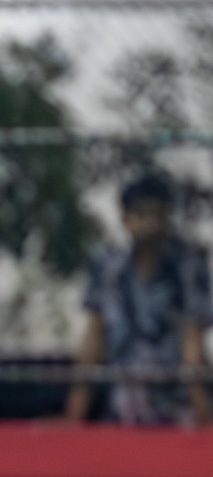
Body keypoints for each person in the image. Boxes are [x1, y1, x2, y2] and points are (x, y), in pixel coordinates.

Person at [65, 175, 212, 425]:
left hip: (176, 408)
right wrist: (73, 416)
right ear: (126, 219)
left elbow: (192, 347)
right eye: (142, 215)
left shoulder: (186, 267)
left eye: (159, 214)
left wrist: (204, 420)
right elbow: (93, 337)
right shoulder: (107, 266)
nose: (151, 223)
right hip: (121, 405)